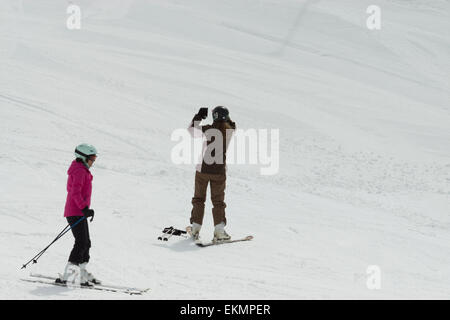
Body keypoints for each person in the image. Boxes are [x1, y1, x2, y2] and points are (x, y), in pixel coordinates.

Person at [188, 106, 236, 241]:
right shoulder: (229, 131)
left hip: (202, 170)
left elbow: (192, 131)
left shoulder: (207, 129)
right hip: (219, 172)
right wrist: (226, 117)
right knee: (218, 202)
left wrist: (198, 116)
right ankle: (219, 231)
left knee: (199, 199)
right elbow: (232, 124)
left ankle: (195, 228)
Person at [56, 143, 99, 286]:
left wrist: (85, 209)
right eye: (92, 158)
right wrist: (84, 208)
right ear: (83, 157)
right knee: (81, 242)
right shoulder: (80, 171)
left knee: (86, 243)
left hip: (78, 211)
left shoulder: (82, 170)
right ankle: (70, 275)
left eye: (94, 158)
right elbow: (75, 192)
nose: (93, 161)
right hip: (75, 211)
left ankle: (81, 271)